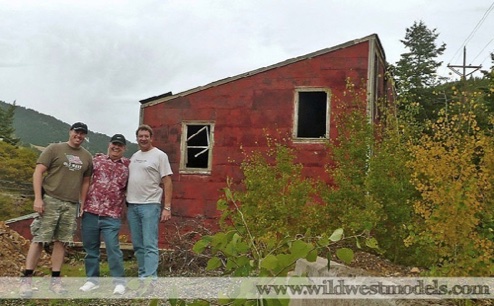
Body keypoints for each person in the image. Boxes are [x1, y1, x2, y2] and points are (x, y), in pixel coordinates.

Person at [20, 122, 93, 297]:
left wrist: (82, 203)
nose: (79, 136)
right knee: (39, 239)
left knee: (62, 242)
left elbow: (86, 181)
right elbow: (38, 172)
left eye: (83, 133)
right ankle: (26, 281)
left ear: (85, 136)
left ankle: (55, 282)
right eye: (77, 132)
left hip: (70, 204)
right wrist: (38, 198)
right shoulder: (54, 149)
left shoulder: (87, 157)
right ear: (70, 132)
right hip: (50, 200)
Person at [79, 134, 130, 295]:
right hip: (91, 211)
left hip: (112, 215)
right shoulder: (97, 161)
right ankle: (92, 281)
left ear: (124, 148)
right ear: (109, 145)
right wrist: (80, 203)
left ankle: (119, 282)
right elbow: (84, 179)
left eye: (120, 145)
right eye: (114, 144)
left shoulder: (128, 166)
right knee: (91, 249)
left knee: (113, 248)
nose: (116, 147)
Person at [126, 124, 173, 283]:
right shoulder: (134, 156)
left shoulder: (160, 155)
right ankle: (142, 276)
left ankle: (151, 279)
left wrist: (167, 207)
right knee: (138, 245)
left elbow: (167, 181)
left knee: (150, 244)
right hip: (132, 205)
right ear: (137, 138)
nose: (143, 139)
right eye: (141, 136)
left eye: (146, 136)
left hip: (150, 205)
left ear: (151, 138)